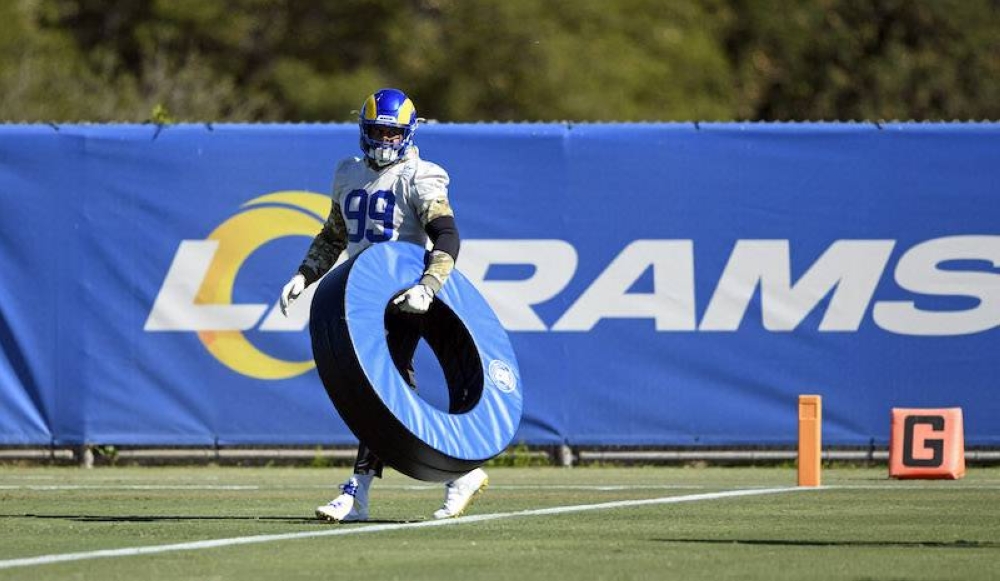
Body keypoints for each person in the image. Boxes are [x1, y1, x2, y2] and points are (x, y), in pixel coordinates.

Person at [278, 88, 488, 522]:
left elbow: (447, 235)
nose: (383, 140)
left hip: (402, 296)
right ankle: (459, 474)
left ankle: (359, 492)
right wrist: (304, 274)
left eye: (391, 133)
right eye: (376, 130)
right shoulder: (348, 173)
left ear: (408, 133)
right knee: (389, 393)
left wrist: (428, 285)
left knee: (381, 391)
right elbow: (334, 235)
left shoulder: (421, 175)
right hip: (360, 294)